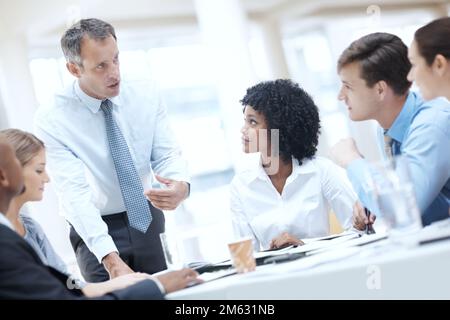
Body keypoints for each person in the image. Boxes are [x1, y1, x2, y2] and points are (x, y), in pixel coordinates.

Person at [34, 18, 190, 282]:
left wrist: (180, 185)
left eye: (116, 59)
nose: (114, 72)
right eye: (101, 66)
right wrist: (110, 258)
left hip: (147, 217)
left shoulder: (145, 92)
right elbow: (75, 195)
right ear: (74, 69)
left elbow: (166, 153)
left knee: (165, 292)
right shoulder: (52, 119)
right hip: (93, 226)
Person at [0, 137, 201, 299]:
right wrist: (155, 286)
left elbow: (67, 282)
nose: (47, 178)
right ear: (5, 175)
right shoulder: (5, 244)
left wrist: (113, 284)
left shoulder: (31, 228)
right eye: (39, 170)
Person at [331, 32, 450, 229]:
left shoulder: (432, 124)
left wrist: (352, 161)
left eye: (348, 86)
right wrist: (373, 197)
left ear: (380, 90)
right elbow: (403, 193)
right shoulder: (387, 129)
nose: (340, 96)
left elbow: (401, 209)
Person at [230, 79, 358, 251]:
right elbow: (247, 260)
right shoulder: (241, 186)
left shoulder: (321, 171)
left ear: (278, 128)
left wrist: (306, 246)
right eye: (245, 121)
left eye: (252, 122)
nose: (243, 129)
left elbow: (360, 230)